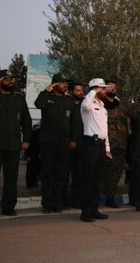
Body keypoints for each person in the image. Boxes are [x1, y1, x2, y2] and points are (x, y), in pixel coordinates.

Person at [35, 73, 79, 214]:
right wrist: (47, 90)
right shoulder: (46, 98)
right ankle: (47, 205)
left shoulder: (69, 101)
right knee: (48, 174)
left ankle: (57, 203)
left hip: (64, 143)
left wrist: (73, 139)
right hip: (48, 142)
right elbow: (38, 104)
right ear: (54, 84)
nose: (65, 85)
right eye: (62, 82)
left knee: (61, 174)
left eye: (66, 83)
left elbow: (75, 123)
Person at [0, 70, 32, 218]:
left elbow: (27, 121)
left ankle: (8, 207)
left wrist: (26, 139)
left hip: (13, 145)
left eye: (12, 79)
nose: (11, 82)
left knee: (11, 178)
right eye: (7, 79)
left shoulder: (19, 99)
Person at [79, 78, 113, 222]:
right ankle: (85, 212)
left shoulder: (103, 107)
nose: (105, 91)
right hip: (90, 144)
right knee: (87, 179)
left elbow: (104, 130)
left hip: (101, 145)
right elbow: (85, 105)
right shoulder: (89, 104)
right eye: (103, 89)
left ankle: (94, 209)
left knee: (97, 181)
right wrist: (93, 91)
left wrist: (107, 148)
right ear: (96, 89)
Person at [102, 80, 128, 208]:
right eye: (110, 87)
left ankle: (110, 197)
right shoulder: (101, 105)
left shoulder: (120, 107)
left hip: (120, 145)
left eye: (114, 88)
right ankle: (97, 197)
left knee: (116, 173)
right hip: (105, 145)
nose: (113, 89)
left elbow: (127, 125)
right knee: (103, 173)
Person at [63, 81, 84, 209]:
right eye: (77, 90)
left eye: (81, 90)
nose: (80, 93)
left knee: (79, 175)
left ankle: (75, 199)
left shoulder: (84, 105)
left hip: (81, 145)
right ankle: (64, 200)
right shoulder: (64, 103)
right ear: (70, 92)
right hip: (66, 144)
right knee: (64, 174)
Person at [25, 124, 41, 189]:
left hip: (35, 154)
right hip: (33, 154)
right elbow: (29, 144)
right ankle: (30, 184)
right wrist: (28, 155)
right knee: (32, 170)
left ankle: (34, 183)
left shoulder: (35, 133)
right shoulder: (34, 134)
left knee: (35, 170)